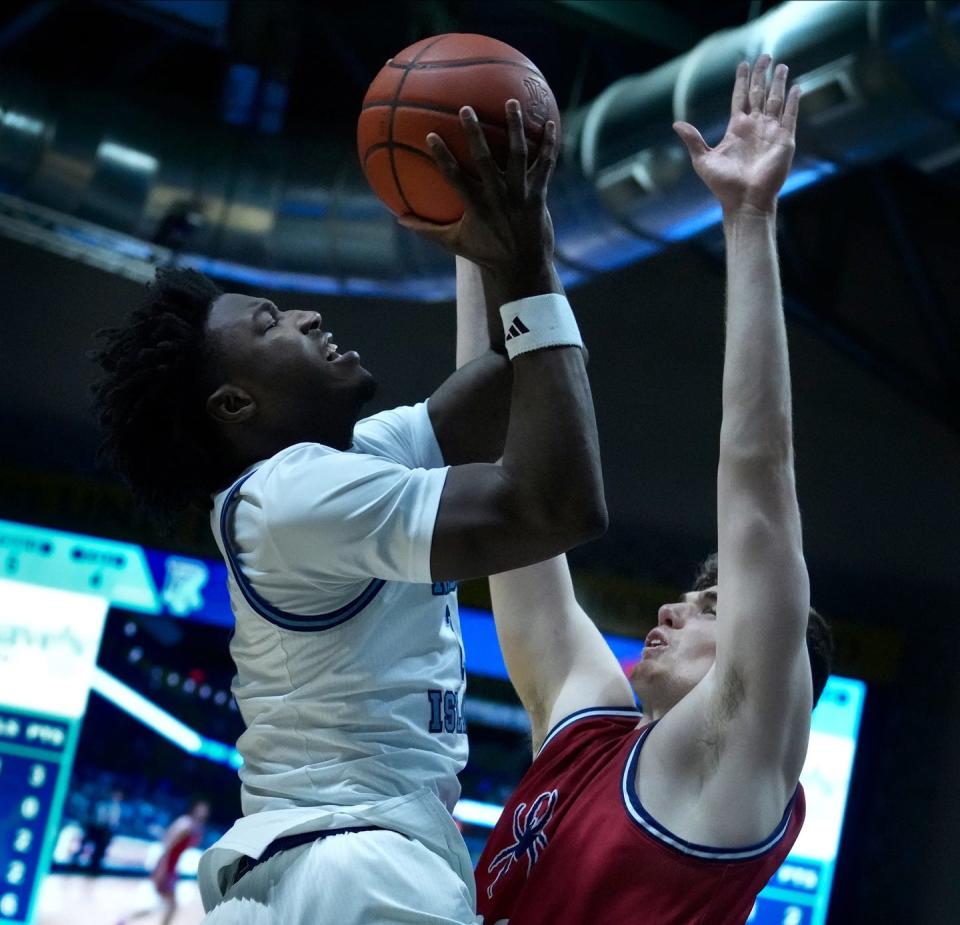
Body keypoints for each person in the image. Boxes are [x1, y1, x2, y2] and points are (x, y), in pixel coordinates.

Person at [93, 100, 606, 924]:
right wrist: (525, 268)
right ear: (236, 403)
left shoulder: (351, 460)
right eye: (270, 324)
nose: (306, 315)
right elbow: (556, 505)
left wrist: (521, 247)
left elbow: (514, 377)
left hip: (330, 865)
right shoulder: (293, 495)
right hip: (356, 869)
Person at [464, 57, 834, 924]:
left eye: (708, 606)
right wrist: (484, 246)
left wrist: (747, 220)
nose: (670, 610)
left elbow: (756, 476)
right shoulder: (588, 726)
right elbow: (505, 496)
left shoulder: (734, 770)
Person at [117, 799, 210, 925]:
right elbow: (167, 844)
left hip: (171, 868)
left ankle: (124, 920)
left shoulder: (193, 826)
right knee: (170, 906)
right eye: (201, 808)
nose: (203, 812)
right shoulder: (185, 824)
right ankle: (124, 919)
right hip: (167, 868)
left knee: (163, 906)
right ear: (194, 808)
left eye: (205, 810)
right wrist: (161, 869)